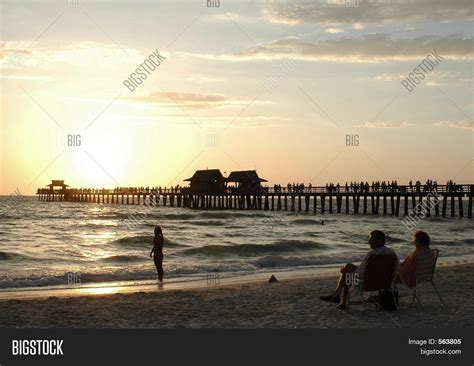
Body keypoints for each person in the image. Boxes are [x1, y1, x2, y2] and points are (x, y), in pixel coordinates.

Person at [319, 230, 399, 310]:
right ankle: (338, 296)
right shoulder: (392, 253)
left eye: (371, 239)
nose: (369, 242)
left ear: (380, 241)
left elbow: (360, 272)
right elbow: (395, 269)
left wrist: (345, 271)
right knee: (348, 267)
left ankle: (340, 300)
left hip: (367, 284)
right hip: (385, 283)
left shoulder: (372, 255)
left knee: (346, 273)